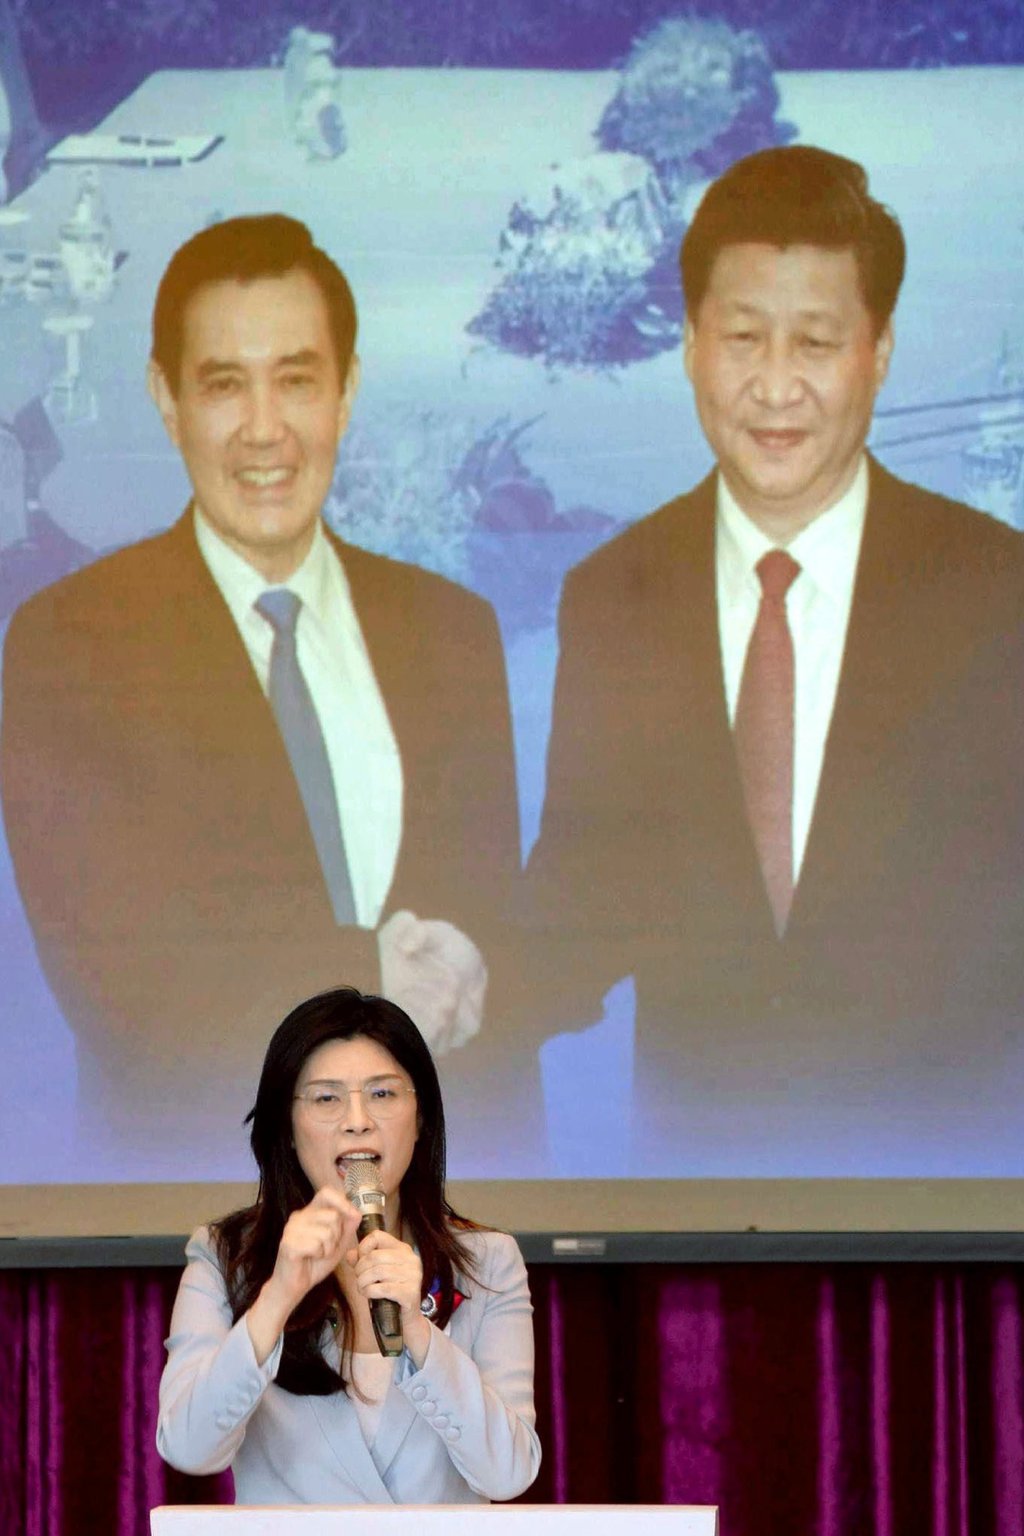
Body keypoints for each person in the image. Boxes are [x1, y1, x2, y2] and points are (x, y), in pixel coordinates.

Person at [0, 214, 536, 1171]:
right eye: (223, 385)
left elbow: (480, 965)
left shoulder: (452, 632)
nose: (263, 429)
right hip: (190, 1234)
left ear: (347, 390)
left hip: (441, 1248)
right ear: (166, 399)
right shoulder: (67, 646)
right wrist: (370, 974)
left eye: (296, 379)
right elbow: (125, 979)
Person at [523, 145, 1024, 1166]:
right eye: (742, 337)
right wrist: (455, 983)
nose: (775, 386)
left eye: (817, 342)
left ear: (878, 349)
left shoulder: (997, 595)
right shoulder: (615, 595)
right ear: (691, 347)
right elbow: (580, 899)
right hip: (694, 1210)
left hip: (954, 1213)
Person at [157, 986, 541, 1503]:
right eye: (326, 1097)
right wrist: (277, 1296)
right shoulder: (225, 1258)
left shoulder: (488, 1262)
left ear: (421, 1117)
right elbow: (188, 1447)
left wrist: (416, 1332)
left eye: (382, 1094)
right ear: (288, 1129)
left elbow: (509, 1473)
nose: (357, 1119)